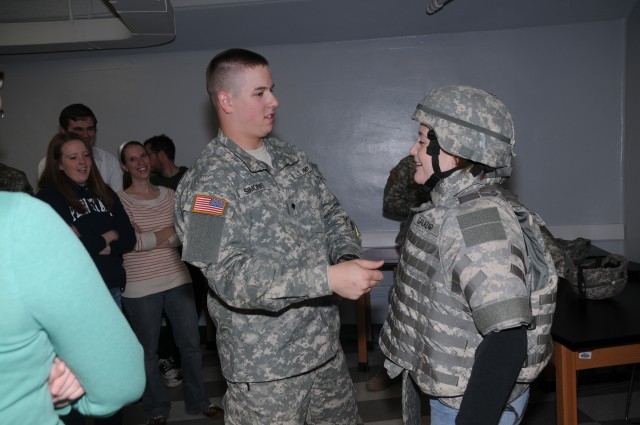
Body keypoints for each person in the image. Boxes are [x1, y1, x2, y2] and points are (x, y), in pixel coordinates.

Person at [174, 48, 384, 424]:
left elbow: (333, 214)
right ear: (226, 100)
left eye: (272, 89)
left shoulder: (291, 157)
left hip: (325, 353)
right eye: (259, 93)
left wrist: (345, 256)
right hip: (266, 373)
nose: (274, 101)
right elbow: (226, 276)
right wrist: (325, 278)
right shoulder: (206, 185)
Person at [379, 85, 556, 425]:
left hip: (473, 404)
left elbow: (507, 338)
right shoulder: (449, 208)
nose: (412, 150)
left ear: (455, 149)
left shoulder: (478, 221)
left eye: (420, 140)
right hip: (457, 393)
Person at [0, 191, 145, 424]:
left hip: (150, 280)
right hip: (137, 284)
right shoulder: (19, 216)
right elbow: (203, 248)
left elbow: (129, 238)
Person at [117, 141, 223, 425]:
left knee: (190, 345)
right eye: (132, 159)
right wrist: (165, 232)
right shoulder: (119, 201)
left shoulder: (170, 194)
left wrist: (155, 235)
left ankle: (199, 401)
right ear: (124, 166)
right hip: (139, 286)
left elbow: (184, 236)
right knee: (148, 351)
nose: (140, 162)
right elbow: (131, 243)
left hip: (177, 278)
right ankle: (157, 408)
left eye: (143, 156)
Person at [36, 132, 135, 308]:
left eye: (86, 155)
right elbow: (70, 247)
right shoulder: (49, 197)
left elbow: (129, 237)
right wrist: (109, 235)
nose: (82, 162)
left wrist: (103, 244)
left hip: (111, 285)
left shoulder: (105, 191)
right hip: (76, 291)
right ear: (59, 164)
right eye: (73, 157)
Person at [366, 155, 431, 392]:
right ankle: (388, 369)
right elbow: (390, 204)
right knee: (401, 307)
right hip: (415, 242)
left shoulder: (464, 163)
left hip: (450, 244)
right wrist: (423, 205)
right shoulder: (410, 164)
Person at [143, 134, 194, 388]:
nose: (144, 160)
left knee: (188, 316)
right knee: (159, 316)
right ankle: (167, 360)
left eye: (147, 154)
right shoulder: (149, 183)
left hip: (190, 257)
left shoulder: (190, 176)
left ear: (161, 154)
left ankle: (189, 366)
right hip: (160, 257)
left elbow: (204, 212)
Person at [38, 104, 123, 192]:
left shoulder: (109, 161)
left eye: (90, 129)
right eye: (78, 129)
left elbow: (116, 201)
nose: (85, 135)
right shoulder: (47, 163)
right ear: (63, 131)